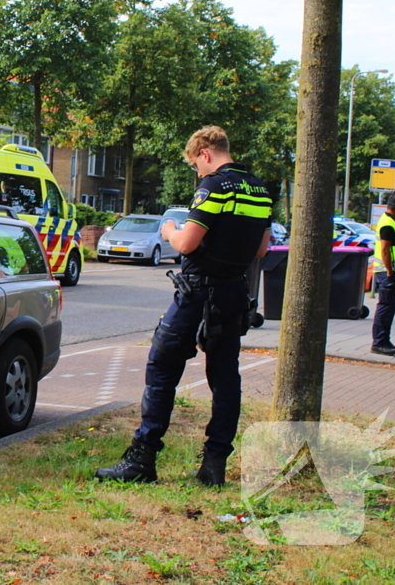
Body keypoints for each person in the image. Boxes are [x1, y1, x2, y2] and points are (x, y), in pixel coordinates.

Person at [94, 126, 272, 487]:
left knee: (162, 366)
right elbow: (261, 249)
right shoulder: (260, 189)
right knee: (225, 379)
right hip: (233, 294)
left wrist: (170, 230)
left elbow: (188, 244)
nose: (197, 173)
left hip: (197, 293)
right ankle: (214, 464)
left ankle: (142, 459)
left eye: (195, 165)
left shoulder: (213, 186)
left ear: (205, 153)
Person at [370, 193, 395, 356]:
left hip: (392, 272)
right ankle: (379, 342)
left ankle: (384, 340)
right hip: (387, 273)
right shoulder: (387, 224)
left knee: (388, 308)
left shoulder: (392, 221)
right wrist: (389, 272)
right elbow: (385, 250)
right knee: (385, 308)